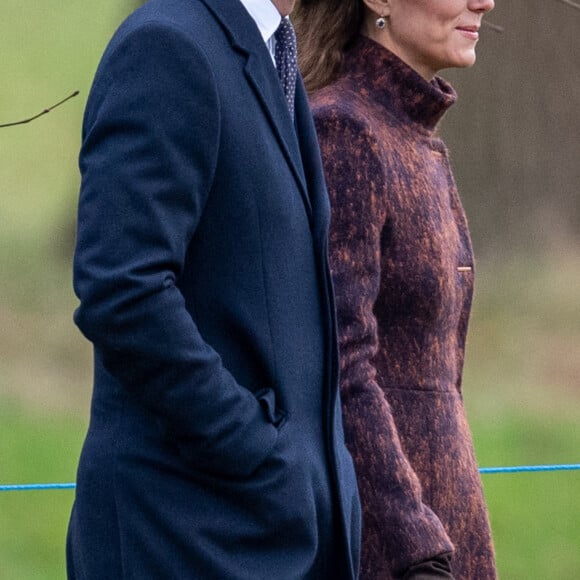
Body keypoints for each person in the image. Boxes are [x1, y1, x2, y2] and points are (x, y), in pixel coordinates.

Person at [66, 0, 361, 577]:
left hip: (265, 536)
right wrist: (250, 449)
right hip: (187, 536)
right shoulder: (167, 45)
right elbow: (122, 289)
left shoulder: (273, 46)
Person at [293, 0, 497, 578]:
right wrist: (412, 541)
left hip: (441, 519)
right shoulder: (347, 132)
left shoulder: (408, 129)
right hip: (394, 541)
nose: (483, 1)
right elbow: (344, 363)